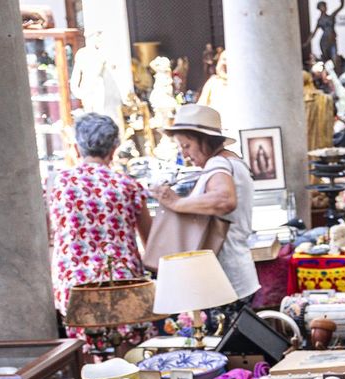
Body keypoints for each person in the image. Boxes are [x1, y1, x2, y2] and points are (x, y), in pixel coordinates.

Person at [47, 112, 151, 350]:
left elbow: (49, 233)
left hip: (75, 286)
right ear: (114, 149)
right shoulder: (128, 185)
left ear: (76, 147)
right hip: (122, 282)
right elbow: (150, 240)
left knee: (85, 355)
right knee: (128, 354)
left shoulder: (58, 182)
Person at [154, 104, 258, 309]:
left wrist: (176, 203)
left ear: (204, 140)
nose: (185, 155)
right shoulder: (233, 162)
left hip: (225, 278)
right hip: (236, 273)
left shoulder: (217, 164)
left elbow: (224, 200)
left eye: (187, 146)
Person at [311, 0, 345, 64]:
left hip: (332, 40)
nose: (325, 7)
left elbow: (341, 7)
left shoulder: (331, 16)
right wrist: (306, 43)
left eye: (325, 6)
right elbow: (314, 33)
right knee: (327, 61)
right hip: (324, 41)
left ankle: (337, 72)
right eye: (323, 6)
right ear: (319, 8)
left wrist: (342, 2)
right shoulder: (319, 20)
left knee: (335, 59)